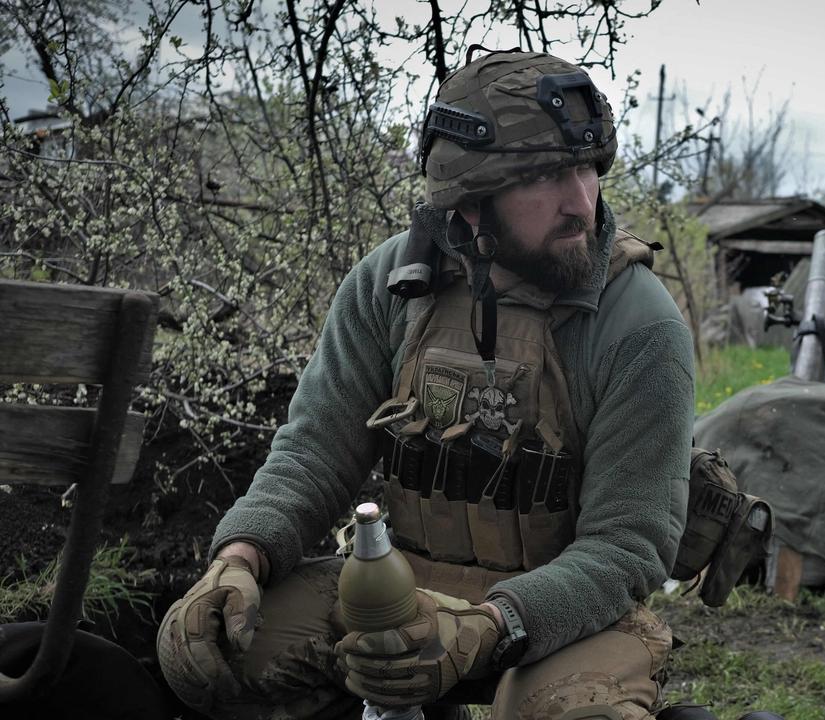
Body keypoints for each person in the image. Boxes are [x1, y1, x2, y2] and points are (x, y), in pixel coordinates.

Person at [156, 48, 696, 720]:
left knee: (581, 713)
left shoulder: (640, 324)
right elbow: (315, 452)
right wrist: (242, 554)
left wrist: (485, 630)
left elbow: (626, 549)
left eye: (588, 168)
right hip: (402, 589)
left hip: (566, 617)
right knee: (201, 645)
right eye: (548, 177)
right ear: (469, 201)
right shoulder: (389, 286)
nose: (581, 202)